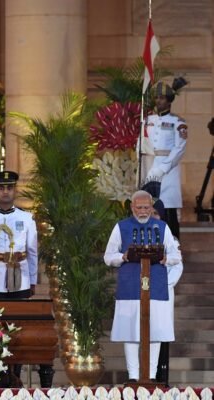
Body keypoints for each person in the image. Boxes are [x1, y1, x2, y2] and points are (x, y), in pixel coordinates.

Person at [0, 170, 53, 387]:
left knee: (17, 328)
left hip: (19, 277)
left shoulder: (26, 218)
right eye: (1, 187)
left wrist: (33, 279)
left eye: (9, 187)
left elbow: (32, 251)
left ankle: (15, 372)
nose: (6, 191)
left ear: (15, 190)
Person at [104, 190, 182, 383]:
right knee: (130, 330)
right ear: (132, 207)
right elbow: (108, 256)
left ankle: (152, 375)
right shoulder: (121, 227)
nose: (143, 211)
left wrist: (165, 258)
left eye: (147, 207)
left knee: (155, 330)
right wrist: (122, 257)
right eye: (139, 207)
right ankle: (133, 376)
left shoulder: (162, 227)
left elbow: (176, 256)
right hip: (130, 285)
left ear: (151, 207)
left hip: (155, 285)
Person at [142, 77, 188, 238]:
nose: (158, 101)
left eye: (162, 98)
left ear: (169, 101)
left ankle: (172, 247)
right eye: (156, 97)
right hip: (149, 166)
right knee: (148, 206)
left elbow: (179, 148)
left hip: (168, 171)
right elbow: (141, 144)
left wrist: (164, 167)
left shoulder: (178, 122)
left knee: (168, 209)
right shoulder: (148, 120)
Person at [152, 199, 184, 384]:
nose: (153, 217)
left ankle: (162, 379)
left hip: (162, 294)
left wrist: (162, 285)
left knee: (161, 337)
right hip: (142, 295)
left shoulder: (170, 239)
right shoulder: (137, 235)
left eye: (156, 214)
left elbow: (177, 267)